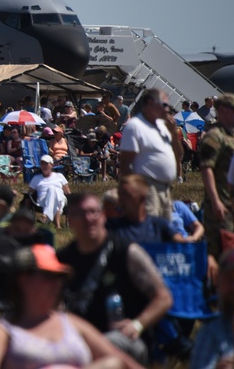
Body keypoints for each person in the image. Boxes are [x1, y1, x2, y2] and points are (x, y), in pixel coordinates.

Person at [0, 243, 143, 369]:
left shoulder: (70, 322)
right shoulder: (3, 329)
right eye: (49, 276)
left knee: (112, 364)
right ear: (23, 279)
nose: (57, 284)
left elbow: (122, 361)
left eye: (59, 278)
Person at [57, 192, 172, 365]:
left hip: (123, 339)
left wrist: (137, 324)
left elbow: (163, 298)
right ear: (70, 221)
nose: (88, 219)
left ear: (103, 216)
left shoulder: (126, 251)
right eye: (80, 214)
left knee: (108, 344)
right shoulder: (63, 260)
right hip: (80, 337)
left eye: (93, 212)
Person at [198, 93, 234, 279]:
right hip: (221, 201)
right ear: (222, 111)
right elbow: (206, 168)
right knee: (219, 246)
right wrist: (215, 200)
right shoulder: (214, 136)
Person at [118, 89, 177, 220]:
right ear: (150, 103)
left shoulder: (163, 126)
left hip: (166, 188)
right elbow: (125, 163)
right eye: (165, 105)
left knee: (165, 230)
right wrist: (134, 192)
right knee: (150, 228)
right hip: (147, 188)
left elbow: (179, 155)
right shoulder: (135, 126)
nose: (167, 110)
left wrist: (173, 133)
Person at [106, 175, 183, 245]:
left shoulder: (159, 226)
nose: (120, 201)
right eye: (120, 195)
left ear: (142, 198)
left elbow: (183, 246)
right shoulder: (112, 227)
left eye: (126, 195)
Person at [27, 155, 70, 229]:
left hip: (61, 199)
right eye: (42, 164)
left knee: (54, 191)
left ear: (52, 165)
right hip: (43, 200)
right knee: (53, 191)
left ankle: (46, 216)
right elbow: (29, 193)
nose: (44, 166)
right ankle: (57, 226)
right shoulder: (36, 178)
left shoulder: (59, 176)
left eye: (46, 163)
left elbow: (68, 193)